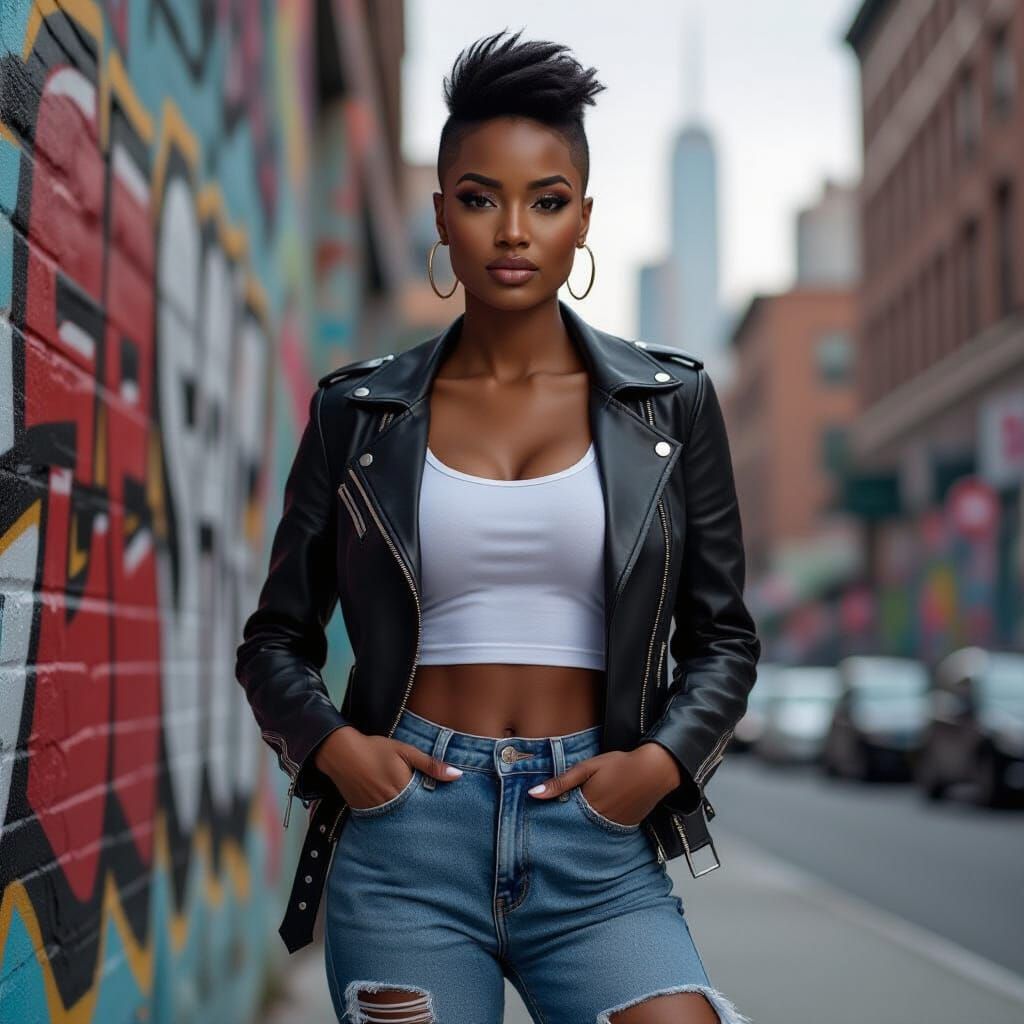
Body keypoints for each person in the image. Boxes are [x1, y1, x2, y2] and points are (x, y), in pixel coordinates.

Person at [236, 28, 760, 1024]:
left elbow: (722, 636)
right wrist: (339, 751)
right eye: (480, 198)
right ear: (442, 215)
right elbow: (275, 639)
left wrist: (655, 766)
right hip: (406, 847)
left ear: (582, 218)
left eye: (545, 200)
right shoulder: (358, 415)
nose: (512, 230)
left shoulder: (671, 405)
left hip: (593, 842)